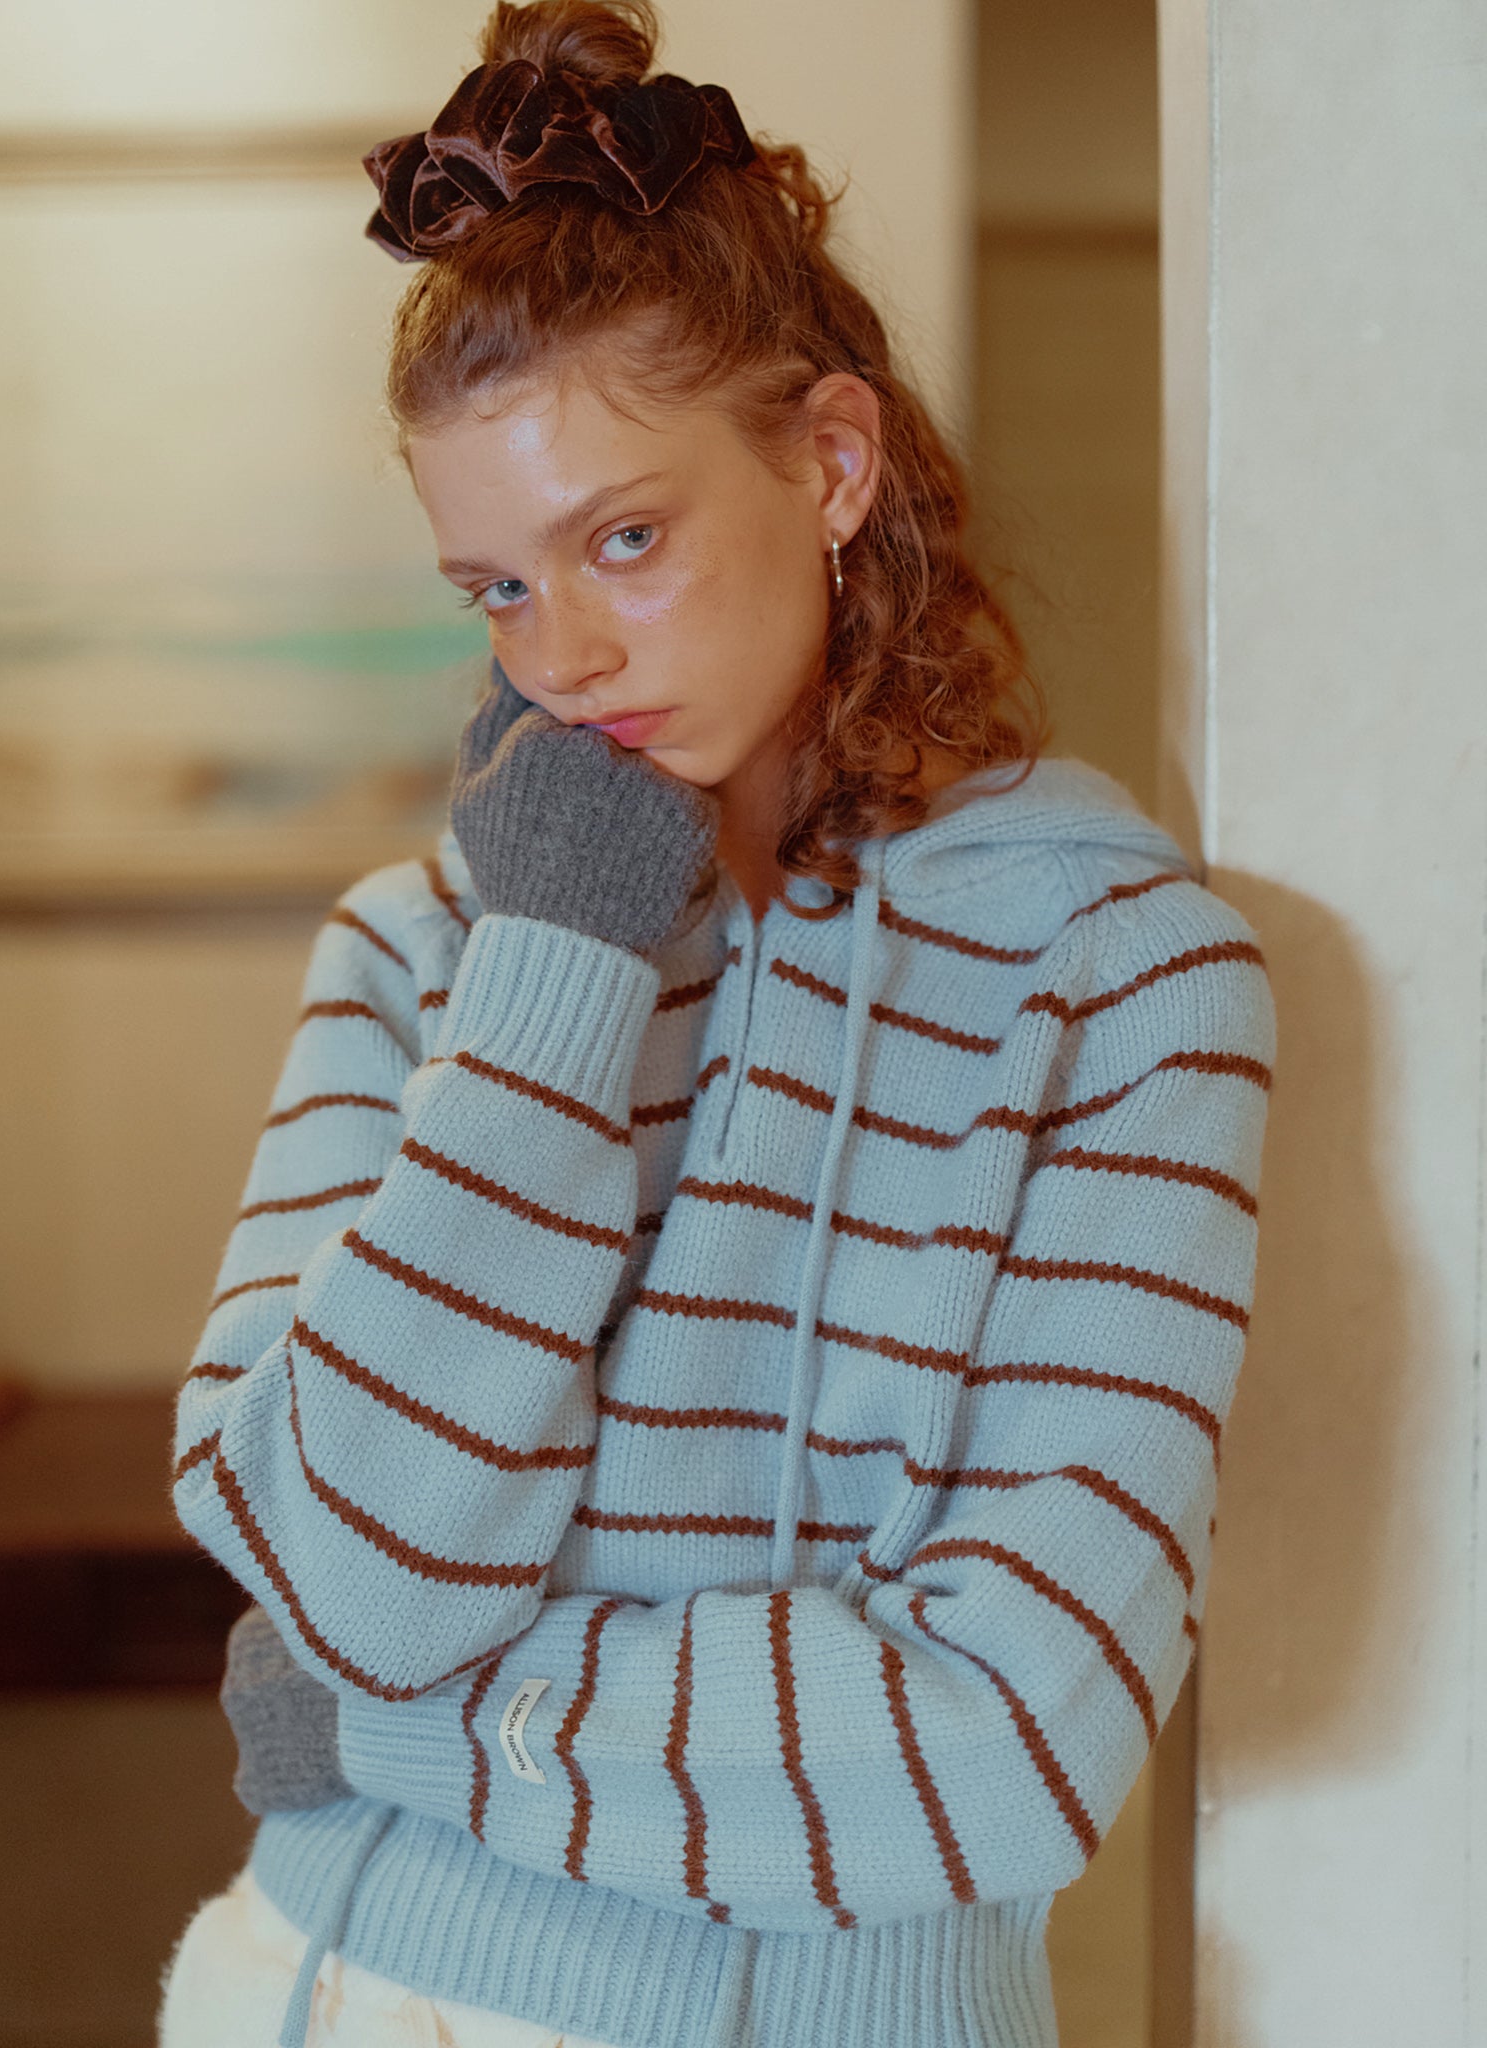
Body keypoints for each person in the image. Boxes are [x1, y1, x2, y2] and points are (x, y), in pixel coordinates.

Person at [158, 3, 1276, 2043]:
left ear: (832, 463)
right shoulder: (418, 949)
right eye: (497, 587)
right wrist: (557, 968)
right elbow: (357, 1578)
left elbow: (1008, 1748)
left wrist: (395, 1731)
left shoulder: (1126, 977)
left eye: (627, 537)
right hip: (324, 1987)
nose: (564, 655)